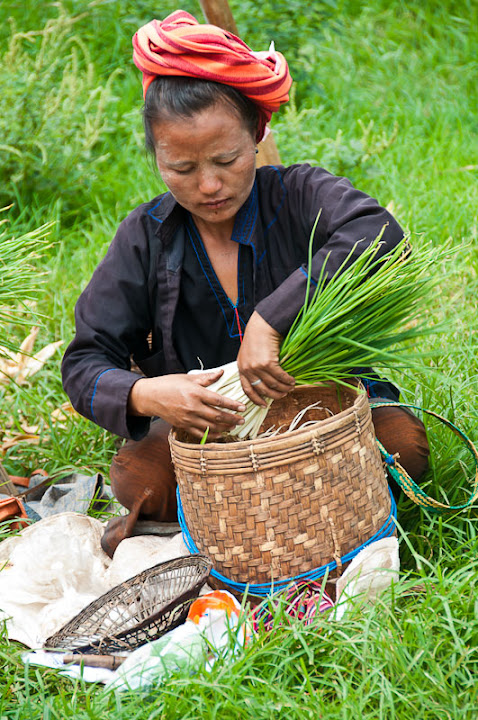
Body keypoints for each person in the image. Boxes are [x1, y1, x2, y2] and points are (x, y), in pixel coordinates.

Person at [61, 10, 429, 556]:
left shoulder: (300, 193)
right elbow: (85, 361)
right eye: (181, 168)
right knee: (144, 485)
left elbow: (377, 232)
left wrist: (271, 317)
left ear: (256, 134)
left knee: (404, 448)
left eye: (227, 159)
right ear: (157, 157)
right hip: (208, 431)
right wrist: (148, 393)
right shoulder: (145, 237)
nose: (209, 185)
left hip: (319, 407)